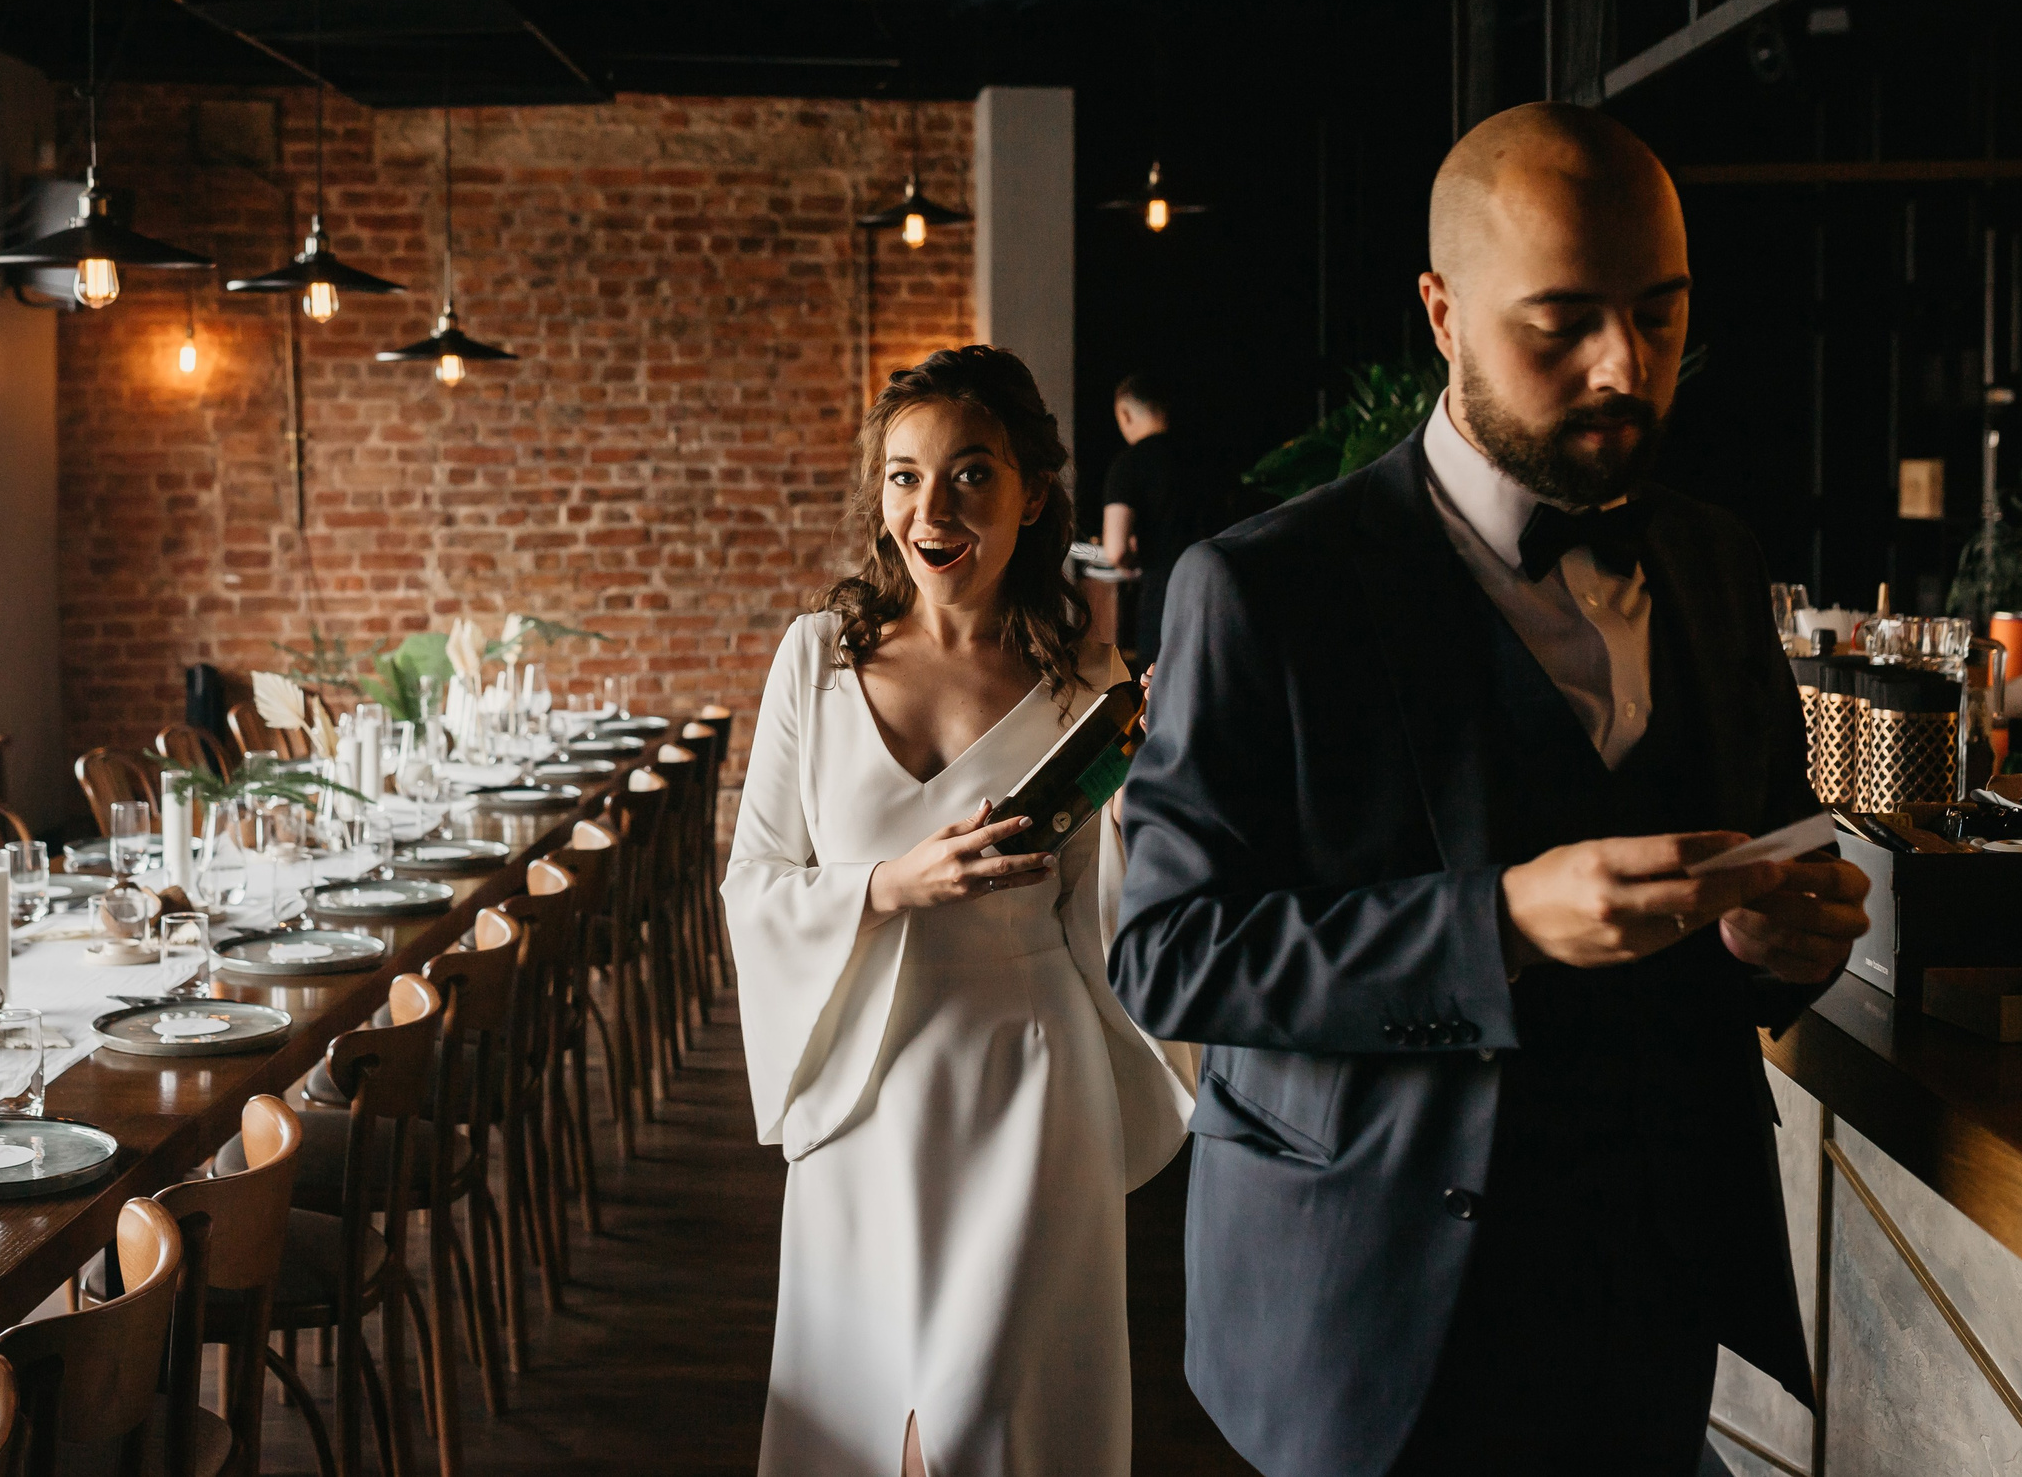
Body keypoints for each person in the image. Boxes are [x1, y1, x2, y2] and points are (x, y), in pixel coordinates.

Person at [1108, 103, 1871, 1477]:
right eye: (1561, 322)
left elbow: (1762, 849)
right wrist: (1501, 922)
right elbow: (1165, 952)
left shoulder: (1711, 556)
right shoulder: (1261, 591)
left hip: (1649, 1302)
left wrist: (1779, 945)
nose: (1623, 366)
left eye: (1660, 313)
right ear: (1443, 311)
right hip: (1370, 1313)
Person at [724, 346, 1189, 1477]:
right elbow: (754, 880)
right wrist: (888, 884)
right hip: (860, 1085)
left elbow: (1118, 916)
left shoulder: (1089, 683)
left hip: (1028, 1083)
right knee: (865, 1424)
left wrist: (1152, 784)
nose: (930, 509)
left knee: (984, 1426)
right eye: (902, 476)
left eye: (970, 474)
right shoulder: (814, 659)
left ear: (1032, 493)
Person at [1100, 373, 1226, 674]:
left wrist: (1130, 564)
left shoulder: (1129, 465)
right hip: (1218, 591)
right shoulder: (1207, 456)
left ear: (1126, 413)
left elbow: (1115, 548)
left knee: (1162, 691)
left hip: (1165, 597)